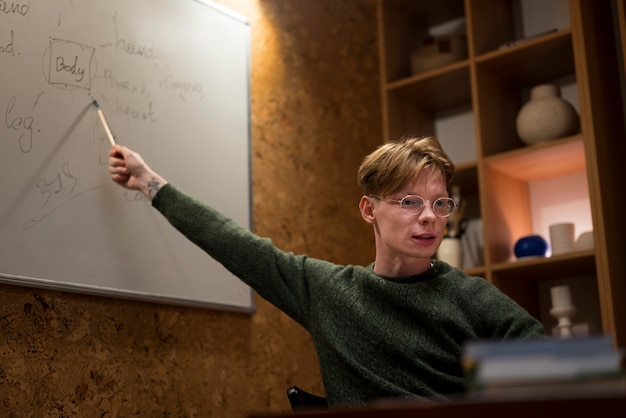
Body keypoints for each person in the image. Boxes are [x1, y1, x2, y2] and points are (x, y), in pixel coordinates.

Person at [108, 135, 546, 407]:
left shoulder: (472, 298)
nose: (429, 216)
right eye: (409, 201)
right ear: (368, 210)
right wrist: (150, 183)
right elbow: (234, 244)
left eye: (440, 203)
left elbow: (570, 373)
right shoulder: (328, 291)